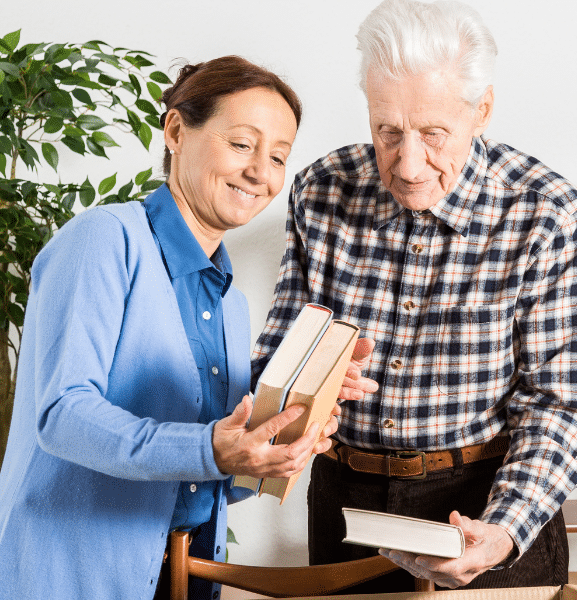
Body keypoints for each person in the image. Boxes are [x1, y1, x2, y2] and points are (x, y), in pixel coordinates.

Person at [251, 0, 577, 592]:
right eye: (387, 131)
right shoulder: (321, 189)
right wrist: (316, 385)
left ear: (481, 110)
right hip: (346, 502)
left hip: (483, 501)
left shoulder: (547, 212)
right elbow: (279, 354)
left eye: (433, 134)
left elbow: (561, 404)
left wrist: (501, 530)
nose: (409, 164)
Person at [0, 55, 341, 600]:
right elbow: (62, 413)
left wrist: (281, 439)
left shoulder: (230, 299)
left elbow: (196, 478)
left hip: (186, 574)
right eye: (241, 144)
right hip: (72, 576)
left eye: (279, 156)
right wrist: (213, 448)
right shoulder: (104, 240)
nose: (261, 171)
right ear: (177, 130)